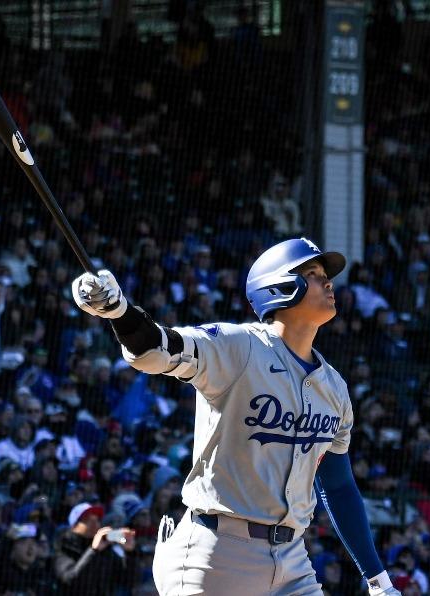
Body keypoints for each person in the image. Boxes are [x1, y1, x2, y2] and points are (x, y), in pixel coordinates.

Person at [71, 237, 400, 595]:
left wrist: (378, 581)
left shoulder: (334, 388)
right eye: (313, 273)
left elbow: (337, 487)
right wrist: (119, 312)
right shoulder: (238, 345)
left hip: (292, 558)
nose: (328, 282)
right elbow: (157, 351)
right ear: (279, 286)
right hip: (216, 552)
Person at [53, 502, 134, 594]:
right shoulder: (63, 547)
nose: (95, 524)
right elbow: (71, 579)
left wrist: (130, 552)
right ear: (74, 526)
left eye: (97, 520)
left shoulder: (104, 548)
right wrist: (93, 550)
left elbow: (129, 581)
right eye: (88, 520)